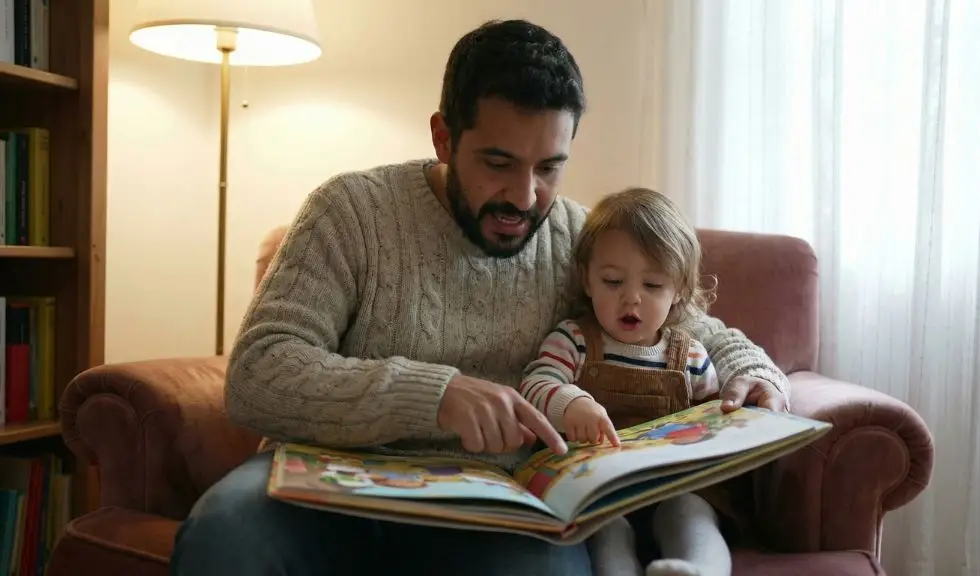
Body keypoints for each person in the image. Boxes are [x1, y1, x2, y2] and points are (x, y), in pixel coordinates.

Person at [170, 18, 790, 576]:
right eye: (498, 162)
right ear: (444, 138)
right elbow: (257, 373)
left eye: (549, 167)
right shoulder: (349, 212)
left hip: (494, 511)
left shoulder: (578, 236)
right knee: (225, 536)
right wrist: (433, 395)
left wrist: (752, 371)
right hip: (323, 491)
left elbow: (688, 323)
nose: (524, 196)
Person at [521, 188, 767, 576]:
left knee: (693, 514)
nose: (631, 298)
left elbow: (717, 420)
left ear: (679, 292)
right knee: (606, 532)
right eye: (613, 281)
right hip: (600, 495)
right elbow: (536, 382)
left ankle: (697, 569)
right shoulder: (575, 339)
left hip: (672, 490)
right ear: (587, 280)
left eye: (652, 286)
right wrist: (569, 401)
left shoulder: (692, 356)